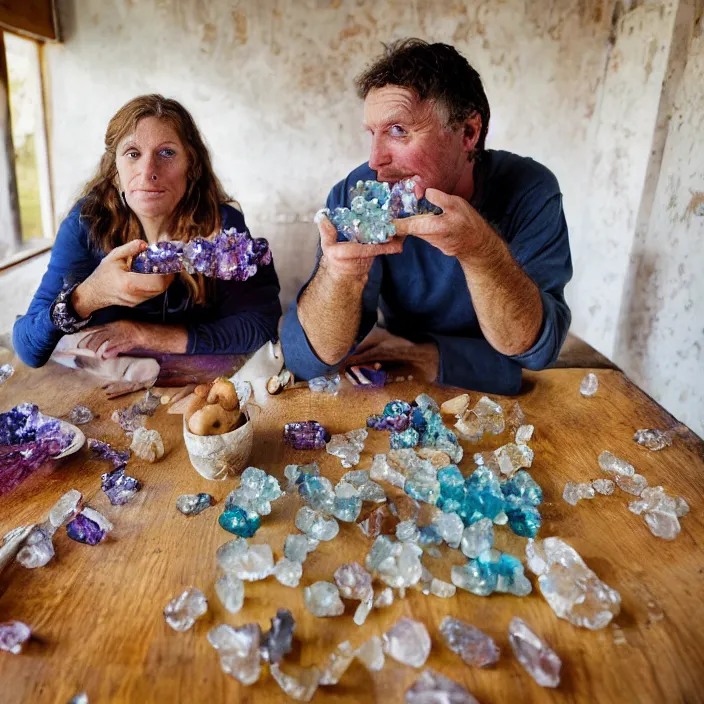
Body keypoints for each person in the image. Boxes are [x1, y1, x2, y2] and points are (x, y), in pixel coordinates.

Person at [281, 39, 572, 395]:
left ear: (468, 133)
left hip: (502, 388)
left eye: (398, 130)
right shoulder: (359, 191)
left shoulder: (531, 190)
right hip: (401, 382)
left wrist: (480, 250)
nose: (375, 160)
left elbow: (536, 351)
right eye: (373, 134)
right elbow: (306, 358)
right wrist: (339, 275)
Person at [13, 95, 281, 369]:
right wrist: (90, 295)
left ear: (192, 166)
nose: (148, 171)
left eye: (167, 153)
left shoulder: (221, 223)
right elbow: (28, 348)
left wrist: (140, 334)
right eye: (132, 153)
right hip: (106, 389)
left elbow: (261, 325)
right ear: (115, 171)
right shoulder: (87, 224)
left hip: (199, 383)